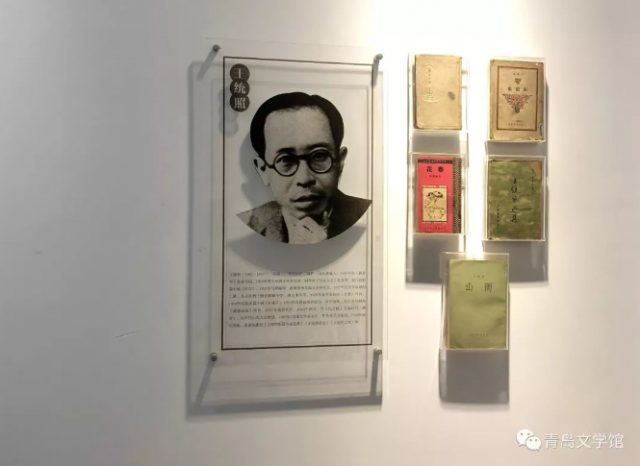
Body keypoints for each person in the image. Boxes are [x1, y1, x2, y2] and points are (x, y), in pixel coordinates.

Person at [238, 92, 371, 244]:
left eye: (319, 156)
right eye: (286, 160)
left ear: (340, 162)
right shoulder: (244, 228)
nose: (304, 178)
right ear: (263, 170)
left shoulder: (371, 217)